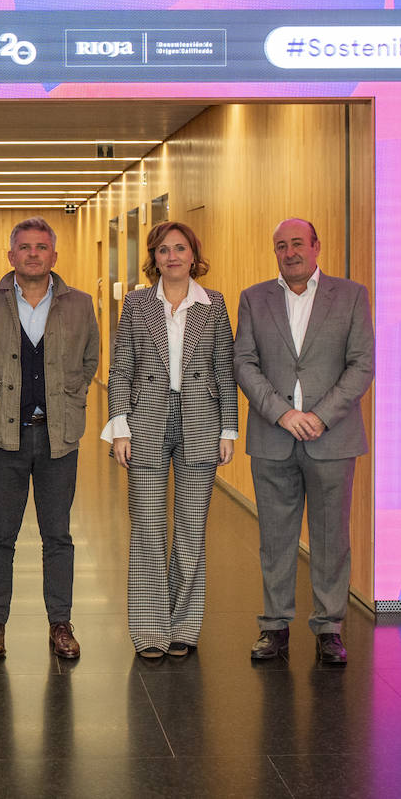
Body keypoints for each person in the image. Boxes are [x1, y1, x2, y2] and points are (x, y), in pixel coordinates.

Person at [233, 218, 374, 665]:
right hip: (273, 435)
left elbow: (361, 365)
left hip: (331, 438)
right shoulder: (254, 299)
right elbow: (244, 363)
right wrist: (283, 413)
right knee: (275, 538)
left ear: (316, 246)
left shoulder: (350, 296)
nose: (290, 252)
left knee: (332, 537)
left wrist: (319, 416)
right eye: (281, 246)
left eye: (298, 244)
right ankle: (274, 626)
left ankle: (329, 628)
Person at [103, 221, 237, 661]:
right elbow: (121, 367)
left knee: (192, 531)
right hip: (146, 422)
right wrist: (119, 426)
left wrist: (228, 428)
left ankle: (183, 625)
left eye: (181, 248)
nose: (172, 256)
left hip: (201, 422)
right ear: (153, 258)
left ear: (194, 255)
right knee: (146, 527)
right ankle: (149, 628)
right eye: (164, 250)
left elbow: (224, 369)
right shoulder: (137, 303)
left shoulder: (213, 304)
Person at [0, 218, 99, 661]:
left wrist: (67, 398)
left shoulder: (79, 304)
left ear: (54, 256)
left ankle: (60, 623)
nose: (32, 254)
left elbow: (90, 359)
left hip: (58, 437)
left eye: (41, 247)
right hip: (3, 437)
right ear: (11, 256)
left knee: (58, 535)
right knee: (0, 535)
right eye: (24, 247)